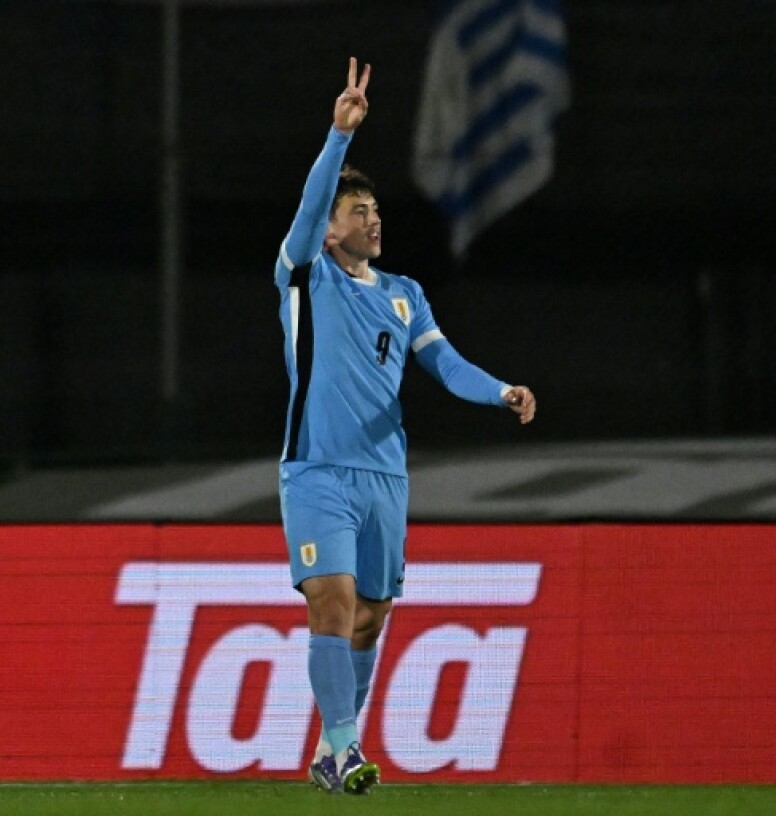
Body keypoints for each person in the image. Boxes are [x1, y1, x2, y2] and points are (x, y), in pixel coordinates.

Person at [275, 58, 537, 795]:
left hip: (385, 476)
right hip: (318, 469)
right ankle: (346, 747)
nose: (373, 219)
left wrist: (500, 391)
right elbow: (308, 209)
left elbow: (446, 366)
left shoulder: (405, 294)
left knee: (371, 615)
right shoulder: (305, 272)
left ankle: (333, 753)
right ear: (328, 232)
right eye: (357, 213)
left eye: (376, 211)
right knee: (331, 600)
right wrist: (338, 135)